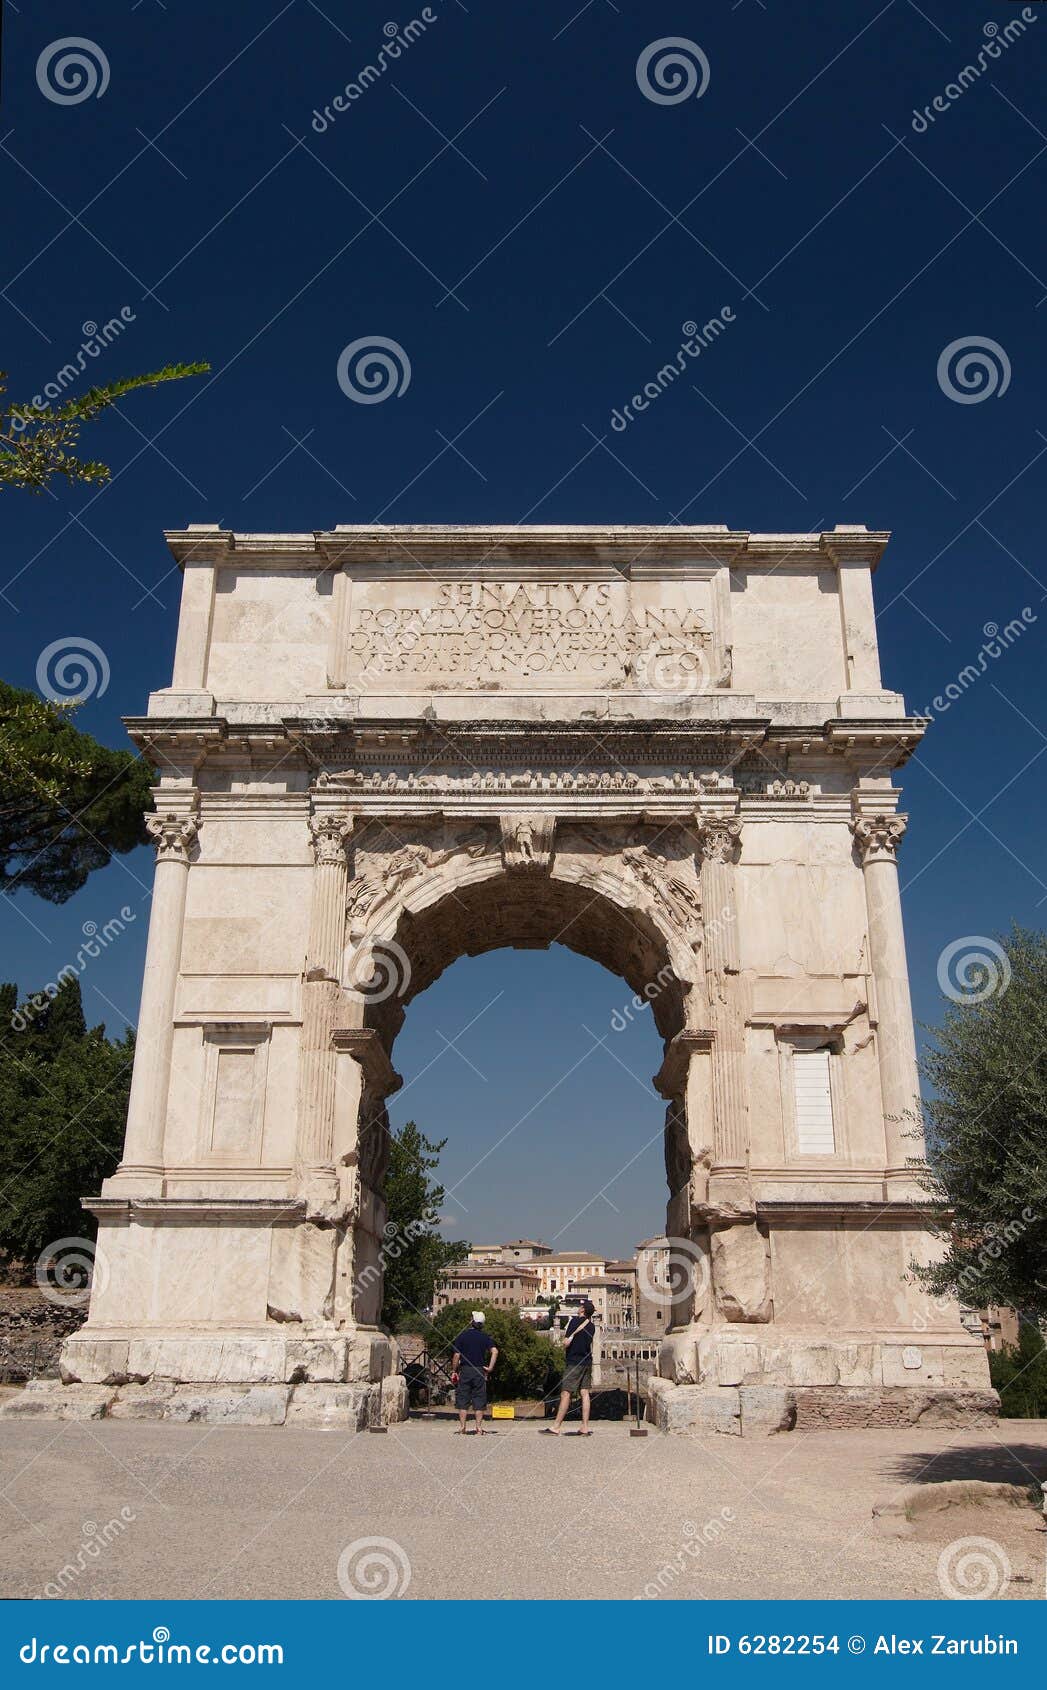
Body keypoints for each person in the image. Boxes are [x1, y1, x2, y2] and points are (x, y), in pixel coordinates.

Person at [545, 1299, 596, 1435]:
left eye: (580, 1306)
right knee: (584, 1393)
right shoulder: (592, 1326)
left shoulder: (574, 1322)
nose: (578, 1308)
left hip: (574, 1361)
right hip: (587, 1361)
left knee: (566, 1392)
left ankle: (556, 1426)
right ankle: (584, 1426)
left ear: (583, 1310)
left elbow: (567, 1341)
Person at [451, 1311, 498, 1435]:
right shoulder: (485, 1337)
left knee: (463, 1398)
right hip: (479, 1370)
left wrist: (454, 1370)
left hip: (465, 1369)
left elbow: (456, 1355)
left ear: (472, 1322)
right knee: (479, 1399)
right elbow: (495, 1351)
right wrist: (490, 1367)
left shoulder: (463, 1336)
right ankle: (478, 1427)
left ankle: (462, 1427)